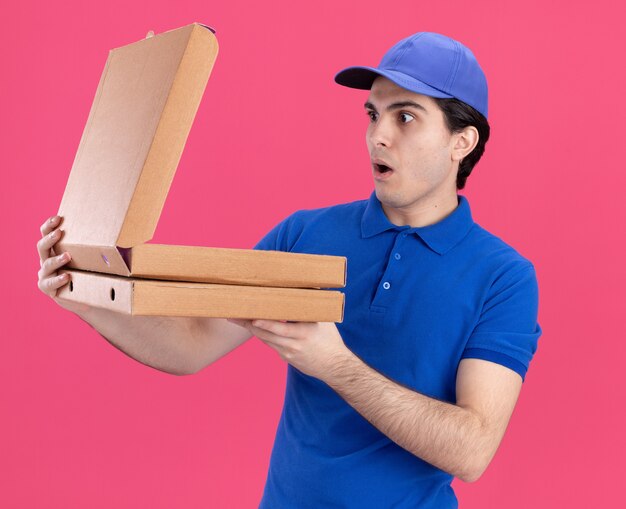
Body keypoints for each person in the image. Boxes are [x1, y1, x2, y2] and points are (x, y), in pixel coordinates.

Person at [37, 32, 542, 508]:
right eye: (372, 115)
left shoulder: (504, 277)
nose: (377, 137)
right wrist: (77, 291)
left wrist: (336, 366)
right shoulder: (303, 236)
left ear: (463, 142)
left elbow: (472, 450)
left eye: (405, 118)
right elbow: (191, 344)